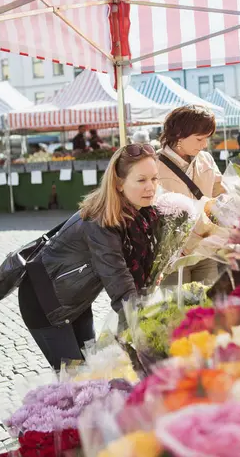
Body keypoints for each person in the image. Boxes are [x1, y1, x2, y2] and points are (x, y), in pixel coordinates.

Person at [17, 143, 160, 370]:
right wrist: (145, 331)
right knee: (76, 381)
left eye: (154, 179)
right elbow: (118, 280)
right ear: (119, 183)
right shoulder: (102, 221)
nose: (151, 187)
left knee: (91, 370)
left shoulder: (140, 213)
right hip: (45, 303)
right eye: (141, 180)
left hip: (77, 300)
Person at [157, 105, 224, 200]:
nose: (205, 145)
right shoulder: (153, 164)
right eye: (199, 139)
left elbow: (219, 193)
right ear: (179, 134)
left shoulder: (206, 158)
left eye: (207, 138)